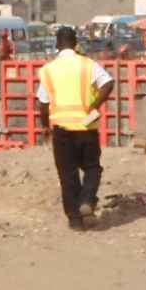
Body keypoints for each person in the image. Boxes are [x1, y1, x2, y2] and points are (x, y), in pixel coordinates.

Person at [36, 26, 114, 231]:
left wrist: (45, 126)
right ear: (76, 42)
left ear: (57, 44)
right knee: (92, 167)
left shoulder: (49, 70)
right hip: (86, 124)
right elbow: (108, 83)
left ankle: (75, 221)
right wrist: (95, 105)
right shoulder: (87, 64)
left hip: (61, 129)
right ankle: (87, 199)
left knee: (67, 175)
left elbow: (43, 104)